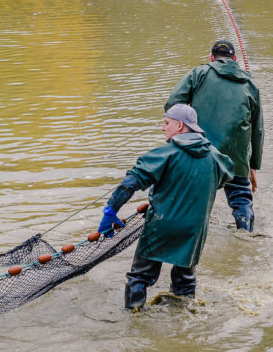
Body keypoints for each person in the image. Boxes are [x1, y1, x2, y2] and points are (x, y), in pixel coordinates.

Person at [99, 104, 233, 310]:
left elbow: (129, 183)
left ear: (180, 126)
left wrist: (110, 211)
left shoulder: (166, 154)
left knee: (139, 277)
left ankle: (133, 319)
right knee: (185, 280)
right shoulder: (215, 156)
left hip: (162, 226)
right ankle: (182, 322)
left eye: (166, 123)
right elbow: (225, 176)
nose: (163, 128)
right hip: (194, 231)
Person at [164, 40, 263, 232]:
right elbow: (258, 129)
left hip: (201, 152)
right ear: (234, 59)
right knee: (241, 198)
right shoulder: (250, 84)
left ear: (212, 58)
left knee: (194, 199)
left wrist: (183, 131)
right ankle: (245, 234)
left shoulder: (199, 73)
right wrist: (253, 165)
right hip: (237, 158)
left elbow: (172, 105)